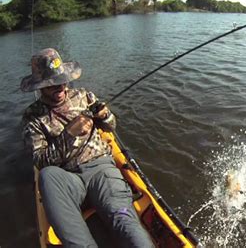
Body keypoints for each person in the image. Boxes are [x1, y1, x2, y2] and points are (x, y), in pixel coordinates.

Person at [21, 48, 154, 247]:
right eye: (51, 84)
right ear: (40, 86)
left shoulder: (84, 96)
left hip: (101, 169)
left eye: (61, 80)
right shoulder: (32, 117)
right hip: (67, 178)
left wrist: (105, 115)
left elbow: (111, 126)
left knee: (123, 220)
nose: (59, 87)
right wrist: (69, 134)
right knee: (48, 176)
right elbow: (40, 160)